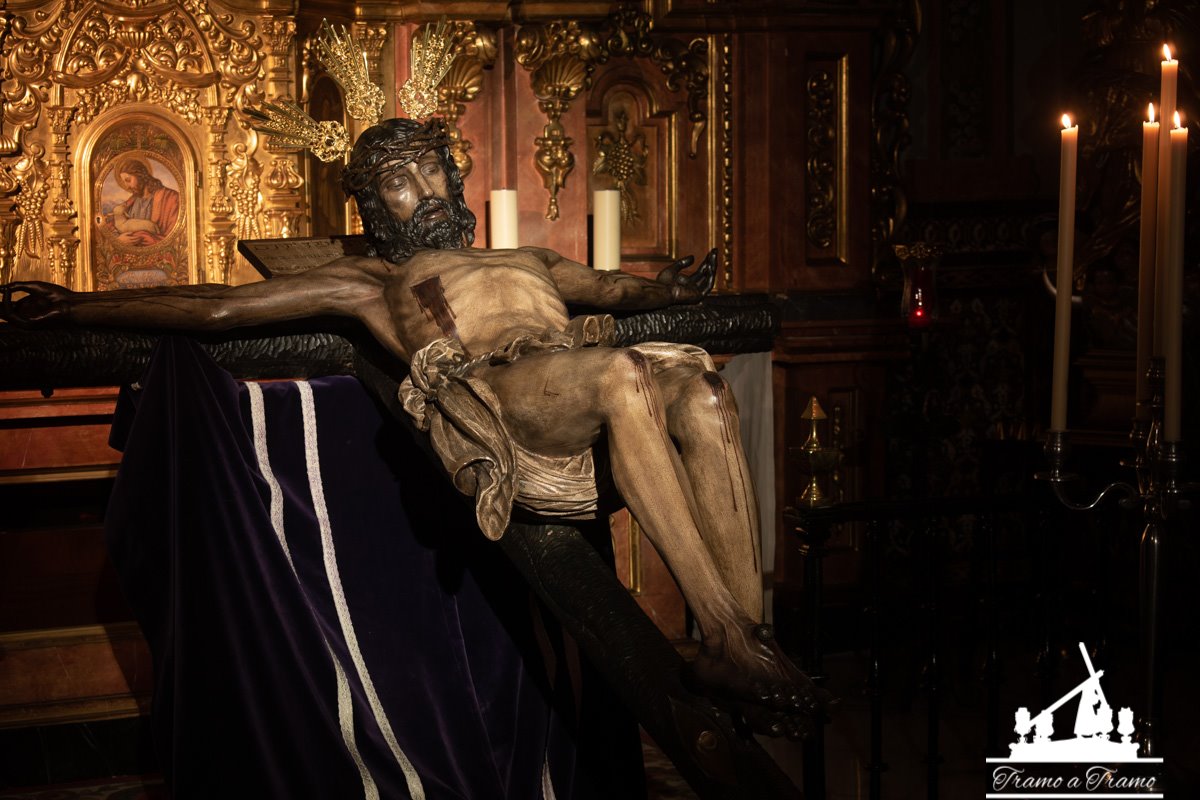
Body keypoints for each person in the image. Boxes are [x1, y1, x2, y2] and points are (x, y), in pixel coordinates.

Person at [2, 117, 822, 738]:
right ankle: (720, 634)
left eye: (433, 167)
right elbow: (220, 308)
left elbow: (617, 291)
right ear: (373, 206)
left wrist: (674, 291)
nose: (426, 188)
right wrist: (78, 306)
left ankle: (749, 638)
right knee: (624, 374)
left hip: (574, 378)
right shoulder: (371, 280)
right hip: (504, 398)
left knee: (703, 391)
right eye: (399, 180)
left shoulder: (532, 261)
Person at [106, 158, 181, 246]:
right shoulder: (132, 201)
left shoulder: (170, 198)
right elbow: (114, 225)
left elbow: (175, 237)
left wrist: (143, 236)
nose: (127, 186)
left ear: (140, 175)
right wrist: (119, 239)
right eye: (124, 182)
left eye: (128, 180)